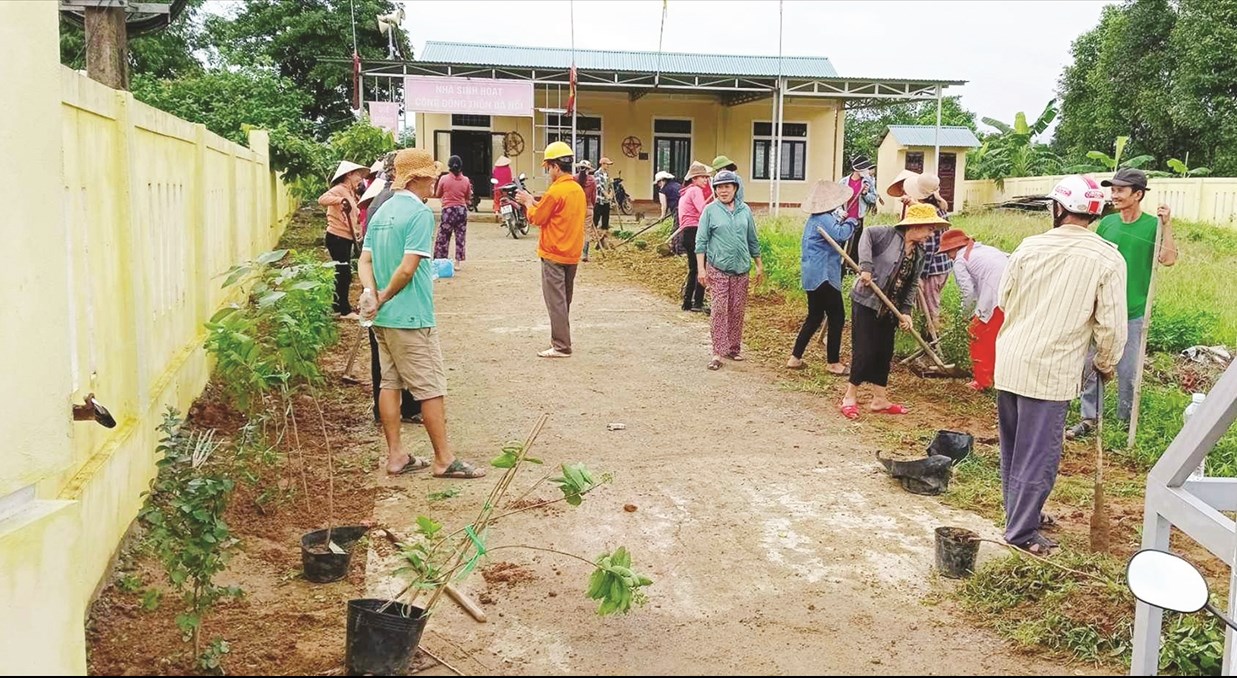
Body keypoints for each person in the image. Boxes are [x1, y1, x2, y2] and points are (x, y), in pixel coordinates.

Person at [994, 174, 1127, 554]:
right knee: (1039, 456)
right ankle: (1021, 532)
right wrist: (1106, 363)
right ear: (1096, 214)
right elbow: (1113, 325)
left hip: (1012, 361)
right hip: (1050, 372)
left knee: (1015, 449)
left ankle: (1019, 514)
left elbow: (1004, 299)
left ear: (1057, 208)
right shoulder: (1106, 257)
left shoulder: (1028, 247)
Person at [358, 148, 485, 479]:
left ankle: (396, 455)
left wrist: (370, 294)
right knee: (430, 387)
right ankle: (444, 459)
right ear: (416, 179)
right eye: (431, 176)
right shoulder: (418, 215)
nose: (435, 181)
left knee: (390, 383)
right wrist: (384, 296)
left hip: (382, 321)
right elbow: (408, 268)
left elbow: (365, 260)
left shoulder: (382, 212)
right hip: (410, 317)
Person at [1069, 168, 1179, 439]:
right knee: (1092, 364)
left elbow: (1168, 259)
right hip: (1102, 308)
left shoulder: (1153, 225)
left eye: (1120, 190)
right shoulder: (1107, 224)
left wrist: (1166, 226)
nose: (1114, 195)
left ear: (1138, 194)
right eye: (1113, 189)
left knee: (1128, 371)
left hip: (1133, 311)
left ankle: (1123, 421)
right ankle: (1089, 418)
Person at [840, 203, 947, 420]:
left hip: (891, 307)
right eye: (929, 229)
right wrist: (867, 267)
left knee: (884, 351)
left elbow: (912, 284)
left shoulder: (919, 253)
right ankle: (849, 397)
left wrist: (906, 311)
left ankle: (879, 399)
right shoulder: (887, 235)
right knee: (865, 350)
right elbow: (866, 235)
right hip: (867, 301)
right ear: (916, 226)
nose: (931, 234)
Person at [516, 141, 587, 358]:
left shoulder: (555, 191)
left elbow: (537, 218)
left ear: (556, 166)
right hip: (572, 253)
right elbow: (554, 212)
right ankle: (562, 340)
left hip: (553, 254)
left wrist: (528, 203)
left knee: (556, 301)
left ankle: (561, 345)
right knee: (564, 299)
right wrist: (534, 201)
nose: (548, 173)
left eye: (548, 168)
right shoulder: (576, 189)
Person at [696, 170, 763, 371]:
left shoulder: (745, 211)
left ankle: (733, 348)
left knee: (737, 309)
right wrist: (701, 269)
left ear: (735, 188)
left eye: (727, 186)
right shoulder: (710, 211)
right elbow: (701, 242)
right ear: (715, 190)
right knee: (719, 309)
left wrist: (759, 264)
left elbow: (752, 239)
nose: (723, 191)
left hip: (741, 268)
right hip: (718, 268)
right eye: (719, 187)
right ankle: (717, 352)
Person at [788, 180, 857, 375]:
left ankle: (795, 358)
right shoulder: (824, 218)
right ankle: (833, 362)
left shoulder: (815, 218)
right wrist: (852, 221)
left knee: (815, 316)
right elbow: (841, 234)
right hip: (824, 275)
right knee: (837, 316)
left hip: (812, 274)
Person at [936, 229, 1009, 391]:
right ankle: (998, 377)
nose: (949, 256)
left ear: (955, 248)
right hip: (1013, 295)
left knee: (976, 334)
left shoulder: (961, 260)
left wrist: (964, 316)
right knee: (1000, 338)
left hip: (995, 298)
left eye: (948, 252)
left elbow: (968, 293)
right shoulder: (987, 250)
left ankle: (983, 382)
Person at [888, 171, 951, 339]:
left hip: (932, 269)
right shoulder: (937, 208)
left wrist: (920, 275)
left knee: (930, 310)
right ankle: (929, 340)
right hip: (941, 267)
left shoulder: (932, 214)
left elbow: (929, 248)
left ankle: (931, 344)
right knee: (929, 308)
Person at [318, 160, 369, 319]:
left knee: (343, 273)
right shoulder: (339, 190)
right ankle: (343, 310)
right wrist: (339, 200)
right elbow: (322, 199)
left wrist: (357, 230)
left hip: (346, 237)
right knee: (344, 273)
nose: (360, 178)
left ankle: (338, 307)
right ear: (348, 175)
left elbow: (353, 215)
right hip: (336, 237)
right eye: (358, 175)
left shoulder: (351, 192)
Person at [676, 161, 713, 312]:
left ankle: (687, 302)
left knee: (693, 269)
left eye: (706, 177)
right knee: (701, 268)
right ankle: (697, 302)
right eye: (702, 177)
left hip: (686, 232)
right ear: (694, 179)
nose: (705, 180)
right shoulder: (695, 191)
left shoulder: (685, 193)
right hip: (695, 231)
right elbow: (703, 210)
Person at [838, 155, 878, 266]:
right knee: (840, 242)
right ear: (857, 169)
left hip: (858, 219)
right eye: (865, 169)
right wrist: (839, 212)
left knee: (856, 245)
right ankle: (837, 265)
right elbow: (836, 200)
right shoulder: (843, 182)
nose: (867, 171)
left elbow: (874, 198)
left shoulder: (868, 182)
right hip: (844, 218)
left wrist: (865, 193)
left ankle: (850, 267)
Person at [433, 155, 472, 269]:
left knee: (444, 236)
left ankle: (441, 260)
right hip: (461, 210)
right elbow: (468, 196)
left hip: (448, 210)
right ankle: (458, 262)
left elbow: (438, 194)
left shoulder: (444, 179)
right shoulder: (466, 180)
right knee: (460, 236)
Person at [579, 161, 600, 261]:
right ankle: (585, 254)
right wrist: (592, 206)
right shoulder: (592, 180)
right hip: (588, 208)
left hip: (576, 208)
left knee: (576, 231)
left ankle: (574, 252)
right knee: (586, 231)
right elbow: (594, 197)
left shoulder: (574, 179)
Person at [593, 157, 615, 234]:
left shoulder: (607, 174)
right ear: (602, 164)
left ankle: (604, 234)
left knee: (606, 218)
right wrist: (606, 195)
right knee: (596, 218)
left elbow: (610, 186)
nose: (608, 166)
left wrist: (611, 194)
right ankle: (594, 233)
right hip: (600, 200)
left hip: (606, 201)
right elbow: (599, 186)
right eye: (607, 164)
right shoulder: (597, 173)